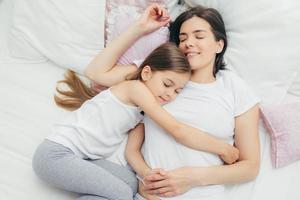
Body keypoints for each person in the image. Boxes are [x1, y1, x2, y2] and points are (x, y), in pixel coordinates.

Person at [32, 5, 240, 200]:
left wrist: (147, 176)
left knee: (130, 184)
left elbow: (131, 151)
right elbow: (176, 129)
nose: (170, 95)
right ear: (147, 72)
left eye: (178, 91)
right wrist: (223, 148)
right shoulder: (137, 88)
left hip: (83, 159)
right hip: (56, 154)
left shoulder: (142, 111)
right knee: (122, 194)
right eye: (167, 84)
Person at [86, 3, 260, 200]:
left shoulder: (235, 88)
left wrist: (191, 178)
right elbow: (95, 73)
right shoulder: (157, 73)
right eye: (182, 38)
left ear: (219, 45)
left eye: (199, 36)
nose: (188, 43)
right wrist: (139, 28)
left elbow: (249, 167)